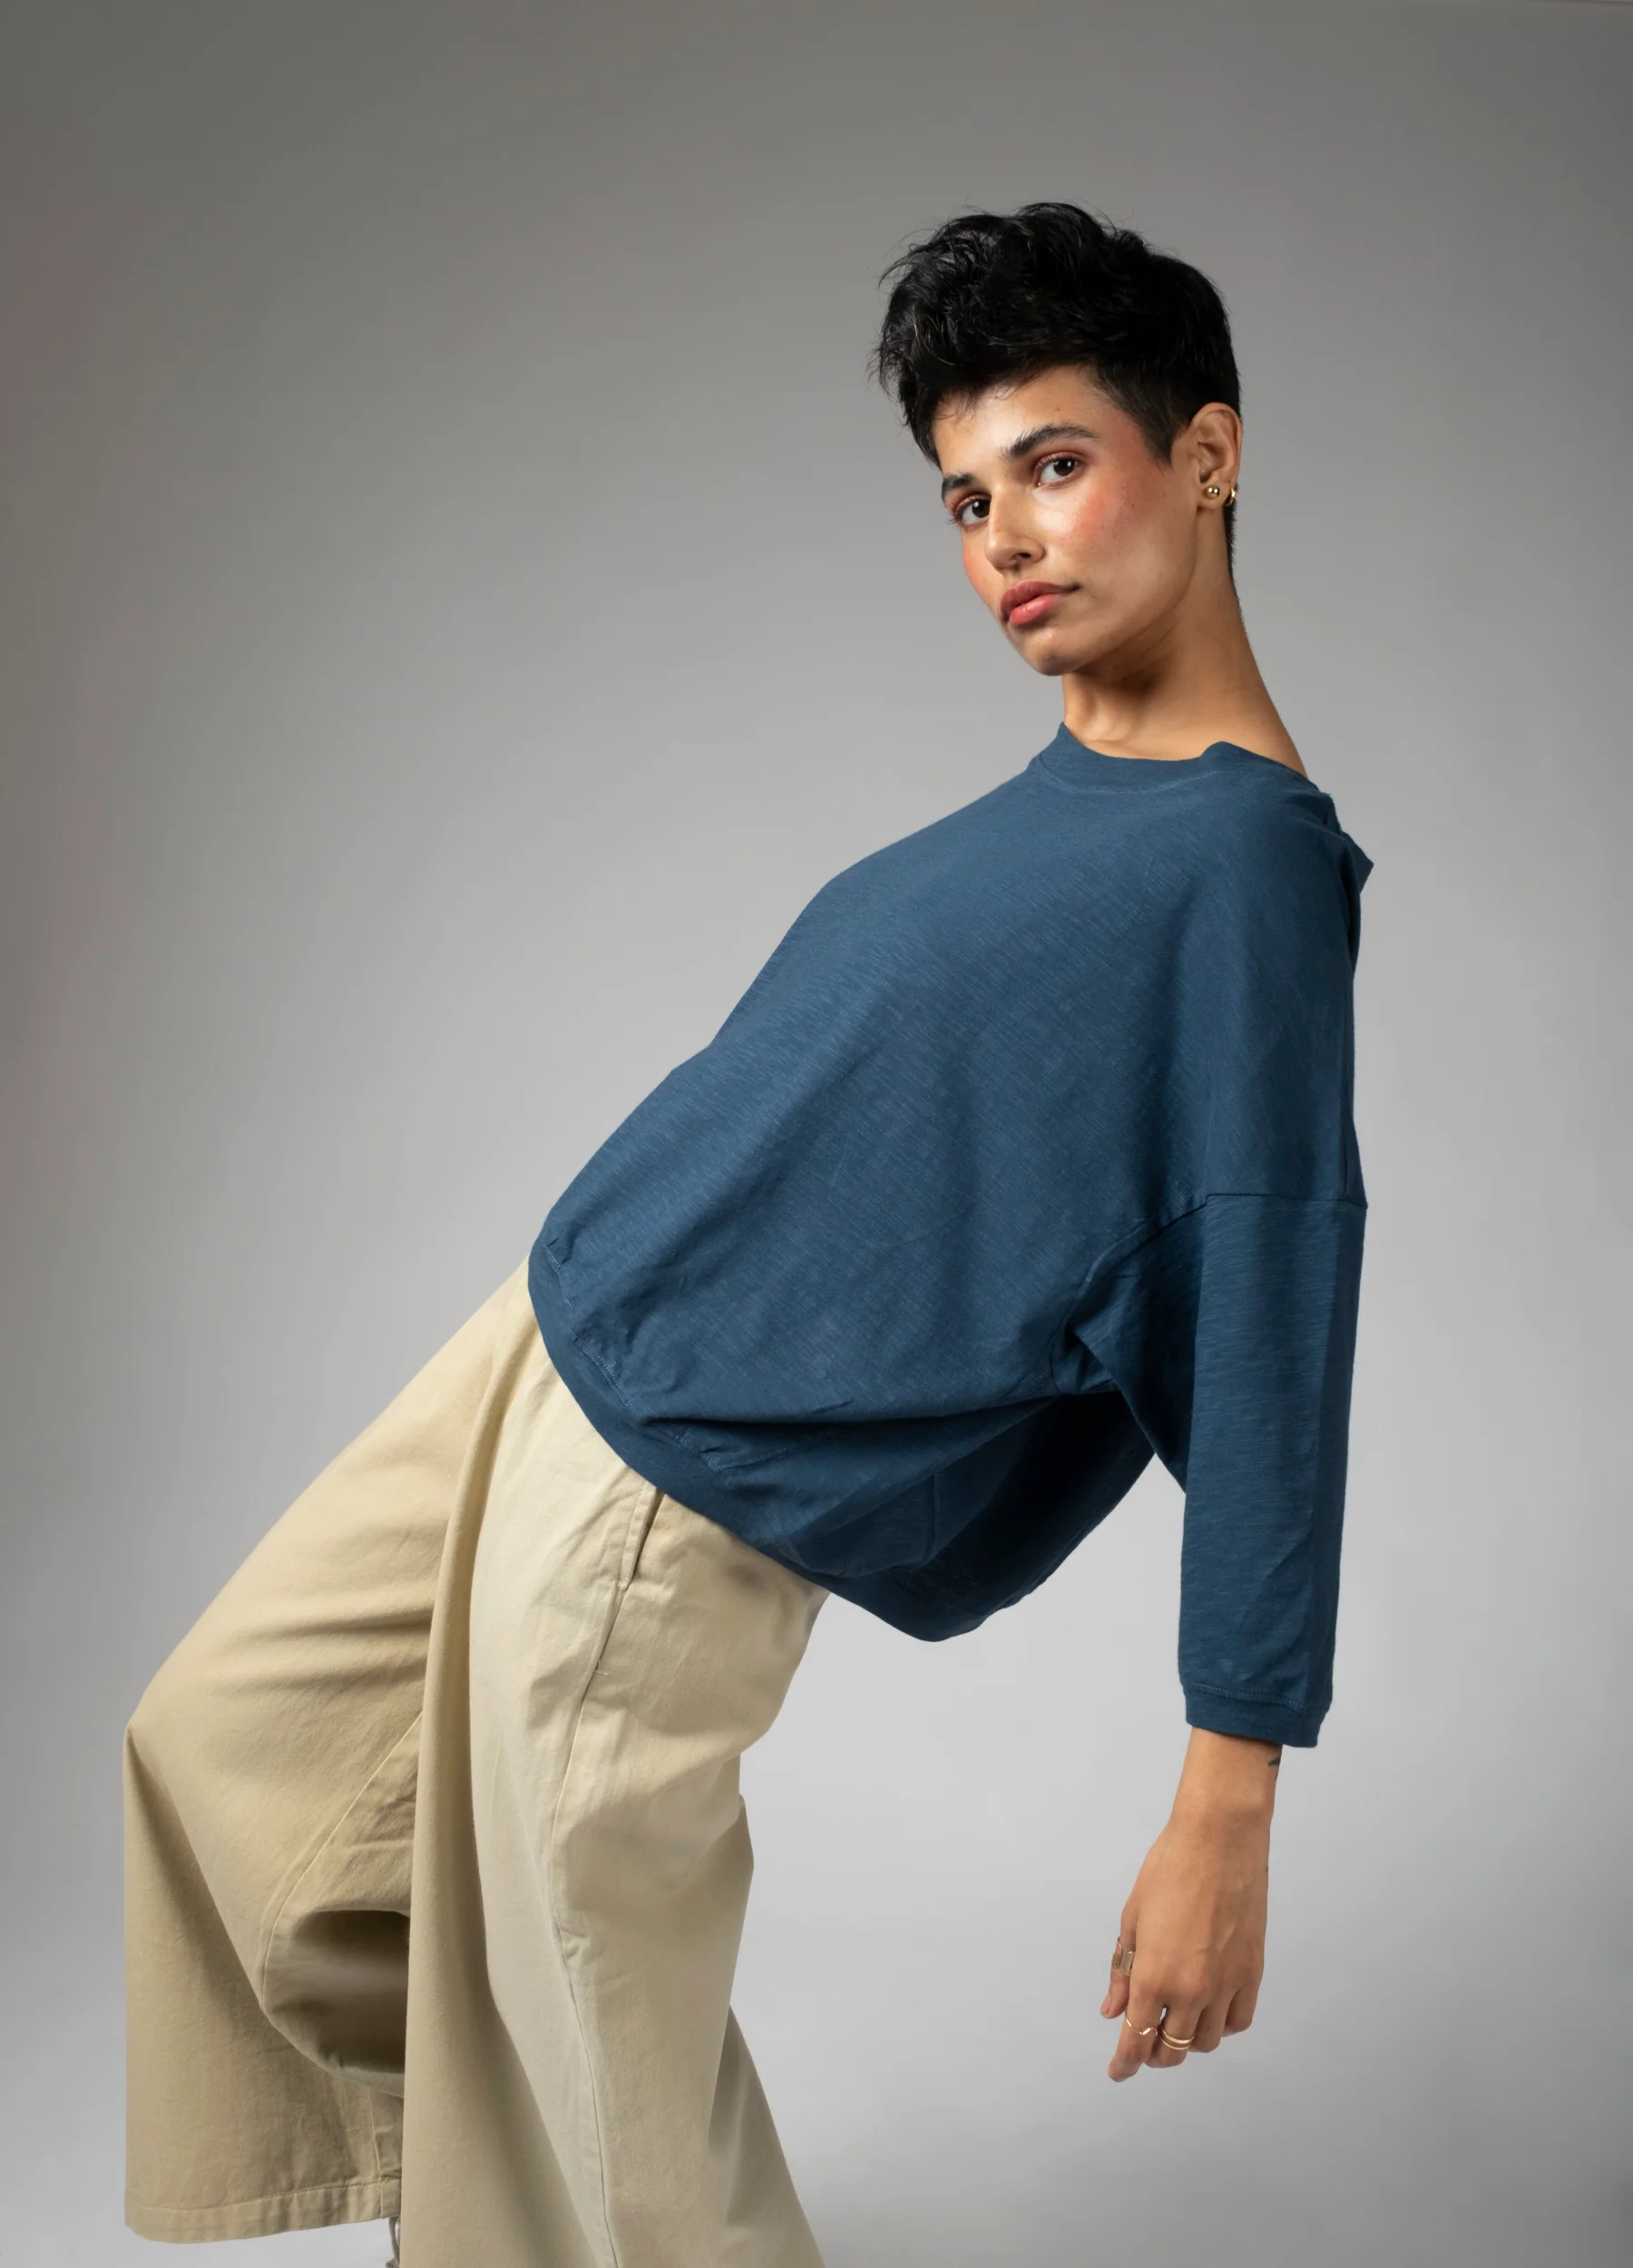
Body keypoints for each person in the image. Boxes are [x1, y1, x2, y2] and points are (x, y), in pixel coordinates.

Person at [122, 200, 1374, 2268]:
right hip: (535, 1349)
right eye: (965, 498)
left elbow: (1271, 1323)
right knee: (226, 1762)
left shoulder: (1241, 868)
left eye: (1056, 464)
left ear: (1210, 454)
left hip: (674, 1496)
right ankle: (498, 2163)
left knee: (598, 2128)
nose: (1005, 538)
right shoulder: (1069, 788)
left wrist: (1224, 1794)